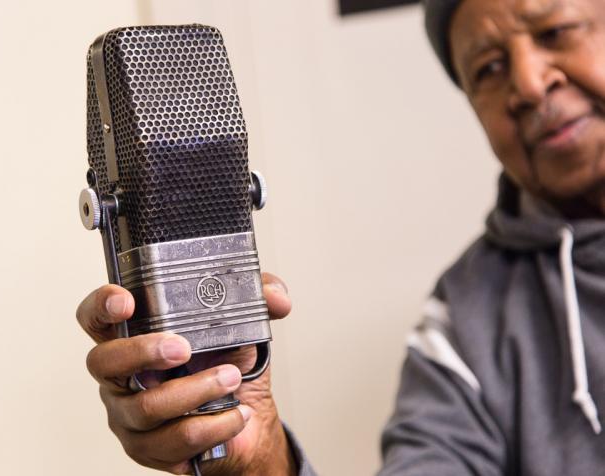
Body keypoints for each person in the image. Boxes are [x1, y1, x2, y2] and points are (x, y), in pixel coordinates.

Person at [75, 0, 605, 473]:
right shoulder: (465, 321)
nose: (528, 84)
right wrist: (260, 459)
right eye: (488, 68)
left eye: (555, 32)